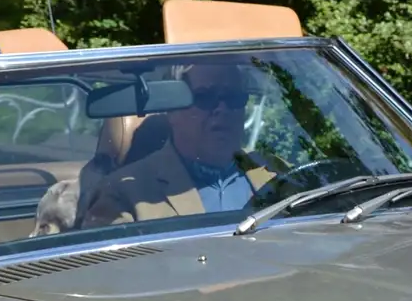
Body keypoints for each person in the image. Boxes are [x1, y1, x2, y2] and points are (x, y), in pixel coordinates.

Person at [80, 62, 276, 227]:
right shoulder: (124, 193)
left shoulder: (277, 171)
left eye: (233, 98)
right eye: (205, 97)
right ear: (172, 111)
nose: (222, 109)